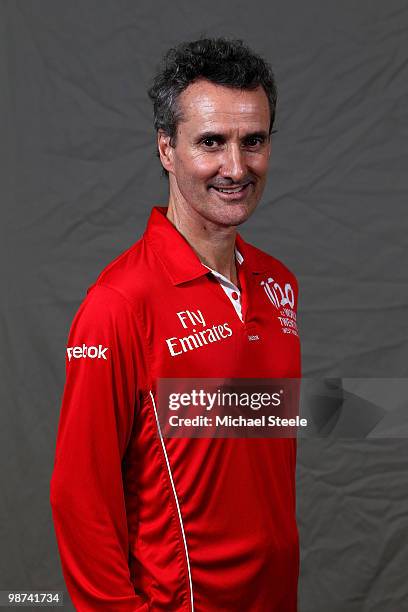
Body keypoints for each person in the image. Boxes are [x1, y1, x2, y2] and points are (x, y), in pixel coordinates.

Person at [50, 37, 301, 611]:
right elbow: (78, 498)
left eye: (253, 141)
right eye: (211, 142)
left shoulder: (279, 283)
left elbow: (245, 423)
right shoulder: (117, 305)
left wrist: (375, 410)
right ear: (166, 148)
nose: (236, 167)